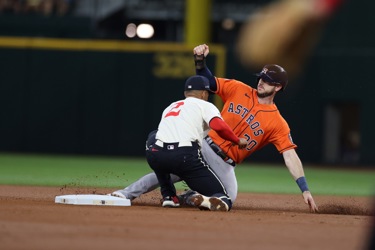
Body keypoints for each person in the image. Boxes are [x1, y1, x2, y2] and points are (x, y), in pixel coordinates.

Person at [110, 44, 318, 213]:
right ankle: (125, 193)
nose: (261, 82)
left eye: (268, 81)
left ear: (278, 87)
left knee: (229, 198)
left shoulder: (278, 123)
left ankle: (190, 197)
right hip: (204, 146)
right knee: (167, 172)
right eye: (261, 77)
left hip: (227, 163)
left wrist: (305, 189)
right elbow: (208, 82)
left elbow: (290, 156)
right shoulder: (238, 89)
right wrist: (200, 61)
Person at [144, 75, 247, 211]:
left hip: (155, 156)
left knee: (154, 141)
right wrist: (236, 140)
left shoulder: (171, 106)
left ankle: (169, 196)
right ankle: (206, 198)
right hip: (184, 158)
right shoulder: (205, 105)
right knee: (224, 197)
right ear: (204, 93)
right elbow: (219, 126)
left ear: (186, 93)